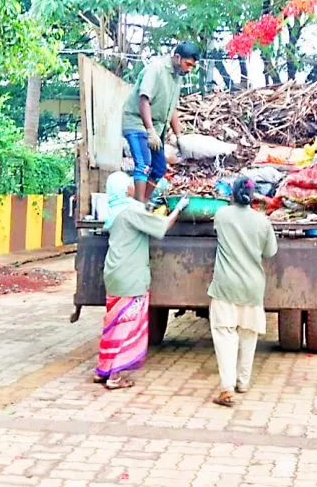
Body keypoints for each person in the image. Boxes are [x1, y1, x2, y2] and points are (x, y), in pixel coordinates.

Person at [95, 172, 188, 390]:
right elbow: (162, 227)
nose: (131, 187)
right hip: (131, 275)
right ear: (124, 189)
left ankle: (103, 370)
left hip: (114, 271)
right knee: (126, 325)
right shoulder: (131, 210)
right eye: (129, 185)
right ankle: (115, 377)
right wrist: (178, 208)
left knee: (113, 322)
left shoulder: (114, 210)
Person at [208, 177, 278, 407]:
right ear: (253, 196)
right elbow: (270, 252)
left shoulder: (222, 215)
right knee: (248, 334)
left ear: (232, 195)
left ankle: (227, 388)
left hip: (225, 286)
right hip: (252, 287)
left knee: (225, 334)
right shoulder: (263, 222)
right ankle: (243, 382)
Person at [122, 41, 201, 202]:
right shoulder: (156, 69)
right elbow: (144, 99)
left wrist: (179, 137)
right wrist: (150, 131)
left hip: (156, 129)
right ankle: (138, 208)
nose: (189, 69)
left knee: (158, 168)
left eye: (192, 66)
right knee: (143, 164)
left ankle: (144, 201)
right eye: (188, 64)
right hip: (137, 122)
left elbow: (172, 108)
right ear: (177, 58)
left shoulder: (177, 77)